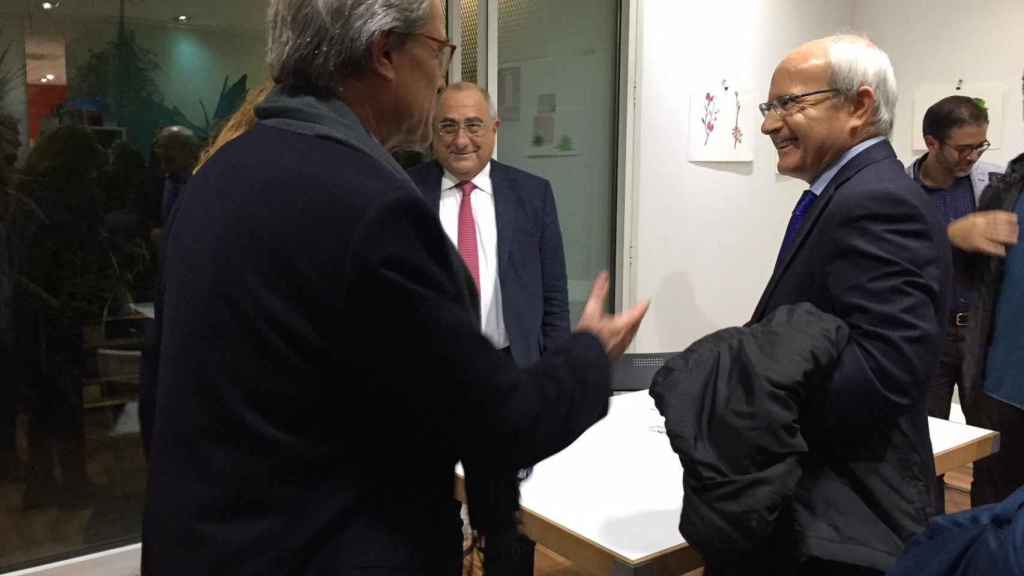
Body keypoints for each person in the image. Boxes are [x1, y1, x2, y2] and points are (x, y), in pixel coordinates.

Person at [140, 1, 648, 575]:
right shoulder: (373, 210)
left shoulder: (216, 179)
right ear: (385, 53)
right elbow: (499, 424)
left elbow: (159, 393)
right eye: (438, 51)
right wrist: (590, 356)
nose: (440, 77)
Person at [754, 35, 950, 574]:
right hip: (822, 502)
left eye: (790, 103)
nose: (770, 124)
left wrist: (753, 394)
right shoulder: (843, 192)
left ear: (859, 107)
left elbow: (885, 373)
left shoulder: (877, 200)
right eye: (770, 106)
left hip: (845, 512)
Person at [407, 81, 570, 574]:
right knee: (426, 511)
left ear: (495, 129)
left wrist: (551, 381)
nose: (462, 139)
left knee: (510, 519)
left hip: (508, 375)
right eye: (448, 126)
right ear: (432, 134)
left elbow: (554, 299)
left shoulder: (532, 195)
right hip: (427, 381)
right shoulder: (404, 192)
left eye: (474, 125)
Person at [906, 95, 1006, 513]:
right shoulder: (899, 190)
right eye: (963, 148)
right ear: (931, 142)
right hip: (924, 333)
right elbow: (889, 255)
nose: (972, 156)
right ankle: (930, 535)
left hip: (982, 336)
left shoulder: (994, 185)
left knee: (993, 444)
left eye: (980, 145)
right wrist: (949, 235)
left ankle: (987, 535)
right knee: (924, 446)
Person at [954, 151, 1024, 508]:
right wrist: (954, 236)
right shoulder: (1005, 190)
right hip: (1000, 391)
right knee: (991, 517)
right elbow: (976, 284)